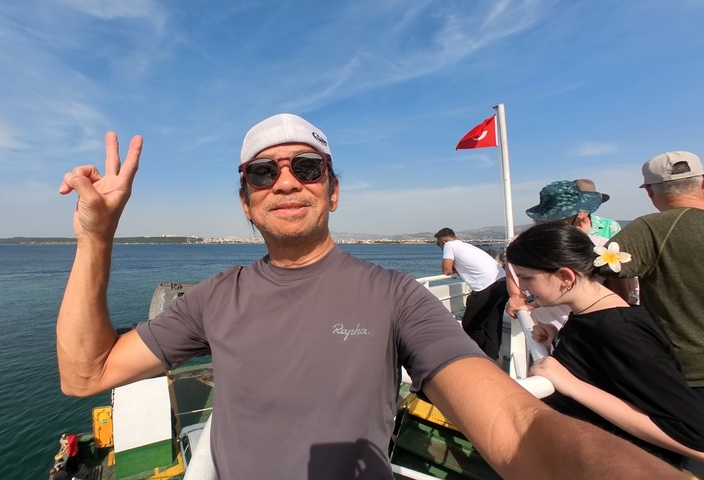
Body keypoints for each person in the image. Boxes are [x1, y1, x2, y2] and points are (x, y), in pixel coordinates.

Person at [56, 113, 688, 479]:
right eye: (262, 173)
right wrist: (95, 236)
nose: (286, 182)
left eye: (308, 168)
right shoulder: (215, 296)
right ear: (246, 201)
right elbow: (86, 373)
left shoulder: (395, 297)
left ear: (333, 191)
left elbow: (514, 423)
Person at [506, 222, 704, 469]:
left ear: (565, 277)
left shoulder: (619, 331)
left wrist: (572, 385)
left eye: (527, 278)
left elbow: (694, 436)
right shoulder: (588, 316)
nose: (523, 288)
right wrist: (556, 340)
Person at [604, 151, 704, 475]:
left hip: (685, 372)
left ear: (649, 192)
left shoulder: (651, 228)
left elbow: (602, 266)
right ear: (703, 183)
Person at [504, 180, 608, 327]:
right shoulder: (600, 246)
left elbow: (517, 296)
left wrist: (532, 303)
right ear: (578, 214)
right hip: (592, 329)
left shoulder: (518, 247)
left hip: (542, 330)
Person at [434, 228, 508, 360]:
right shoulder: (466, 246)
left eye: (438, 244)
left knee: (470, 325)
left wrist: (452, 267)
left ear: (443, 241)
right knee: (492, 325)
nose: (439, 247)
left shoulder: (449, 245)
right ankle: (491, 359)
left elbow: (446, 270)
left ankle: (478, 354)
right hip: (502, 283)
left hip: (486, 286)